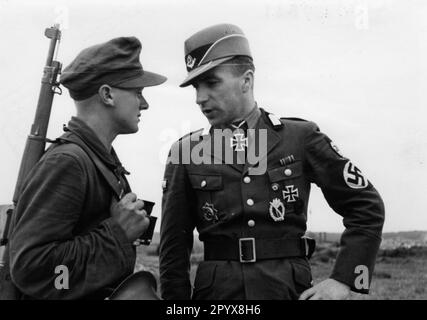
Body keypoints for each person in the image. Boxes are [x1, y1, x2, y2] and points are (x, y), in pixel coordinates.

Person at [159, 23, 385, 300]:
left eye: (211, 83)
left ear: (246, 80)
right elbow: (173, 247)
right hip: (218, 297)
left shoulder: (299, 138)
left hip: (287, 290)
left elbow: (366, 206)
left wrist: (345, 280)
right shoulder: (186, 151)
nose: (200, 98)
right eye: (196, 86)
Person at [7, 36, 166, 299]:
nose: (144, 103)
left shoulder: (99, 159)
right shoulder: (69, 162)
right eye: (137, 91)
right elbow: (32, 268)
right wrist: (117, 234)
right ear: (107, 95)